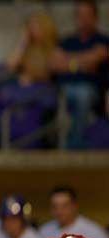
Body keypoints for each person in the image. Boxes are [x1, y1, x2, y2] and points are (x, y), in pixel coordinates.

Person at [50, 0, 109, 148]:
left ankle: (74, 143)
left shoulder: (103, 40)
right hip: (63, 90)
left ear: (95, 17)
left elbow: (97, 57)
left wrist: (68, 62)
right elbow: (54, 64)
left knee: (82, 93)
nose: (83, 19)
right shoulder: (66, 41)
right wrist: (81, 63)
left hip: (93, 91)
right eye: (80, 15)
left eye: (87, 15)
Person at [7, 12, 59, 85]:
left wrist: (32, 77)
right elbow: (10, 66)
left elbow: (51, 71)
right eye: (30, 27)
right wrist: (23, 41)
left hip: (44, 89)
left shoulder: (55, 47)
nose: (32, 30)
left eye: (36, 26)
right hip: (25, 88)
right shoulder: (27, 47)